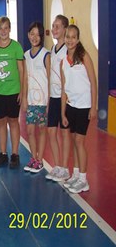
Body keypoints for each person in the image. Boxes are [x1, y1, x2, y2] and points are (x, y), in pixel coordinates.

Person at [61, 25, 97, 193]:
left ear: (78, 38)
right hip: (71, 106)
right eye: (67, 36)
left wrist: (93, 106)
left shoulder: (83, 56)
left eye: (73, 37)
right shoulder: (64, 61)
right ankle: (75, 174)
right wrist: (63, 112)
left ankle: (83, 179)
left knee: (80, 142)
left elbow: (93, 82)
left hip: (84, 106)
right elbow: (63, 88)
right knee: (75, 141)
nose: (70, 40)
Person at [0, 16, 24, 169]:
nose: (3, 31)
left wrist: (22, 90)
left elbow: (22, 70)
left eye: (6, 28)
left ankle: (15, 154)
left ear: (10, 29)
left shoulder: (16, 47)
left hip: (14, 91)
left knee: (14, 122)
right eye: (0, 28)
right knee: (1, 123)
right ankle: (3, 154)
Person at [22, 22, 50, 173]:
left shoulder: (46, 54)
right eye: (32, 34)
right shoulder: (26, 55)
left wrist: (49, 102)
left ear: (41, 37)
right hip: (31, 100)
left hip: (43, 101)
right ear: (28, 35)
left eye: (37, 34)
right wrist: (25, 99)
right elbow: (25, 79)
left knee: (42, 130)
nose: (34, 37)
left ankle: (40, 160)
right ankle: (33, 158)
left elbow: (50, 79)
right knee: (30, 131)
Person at [45, 15, 71, 182]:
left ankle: (65, 168)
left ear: (65, 29)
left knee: (65, 134)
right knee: (51, 131)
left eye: (57, 26)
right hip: (53, 97)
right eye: (53, 26)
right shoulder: (52, 50)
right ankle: (58, 166)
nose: (54, 29)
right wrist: (48, 99)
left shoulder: (67, 51)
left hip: (65, 98)